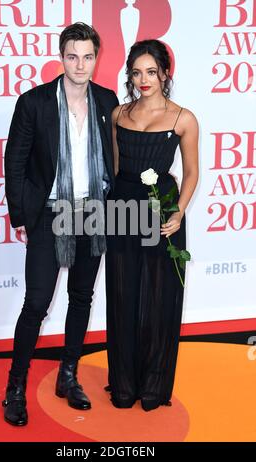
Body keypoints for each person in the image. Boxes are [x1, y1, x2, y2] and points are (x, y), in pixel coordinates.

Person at [3, 22, 119, 426]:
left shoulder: (107, 100)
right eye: (73, 56)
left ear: (96, 59)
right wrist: (20, 216)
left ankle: (68, 375)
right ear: (61, 57)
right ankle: (15, 387)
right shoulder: (34, 102)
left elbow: (114, 160)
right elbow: (14, 161)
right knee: (36, 303)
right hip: (50, 213)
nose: (80, 64)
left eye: (88, 56)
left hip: (93, 212)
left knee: (82, 297)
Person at [105, 39, 199, 411]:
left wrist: (179, 212)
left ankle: (155, 385)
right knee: (123, 294)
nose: (143, 79)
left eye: (151, 72)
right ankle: (124, 383)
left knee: (159, 298)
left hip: (162, 213)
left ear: (165, 74)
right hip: (121, 208)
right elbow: (113, 169)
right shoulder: (118, 115)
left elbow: (191, 172)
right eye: (136, 72)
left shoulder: (182, 118)